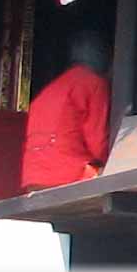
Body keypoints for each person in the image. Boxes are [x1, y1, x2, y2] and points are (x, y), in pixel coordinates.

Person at [20, 29, 111, 191]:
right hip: (69, 175)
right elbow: (97, 143)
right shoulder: (93, 83)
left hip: (32, 178)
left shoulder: (49, 90)